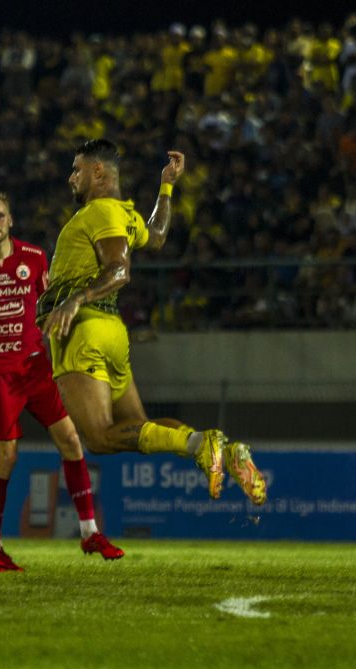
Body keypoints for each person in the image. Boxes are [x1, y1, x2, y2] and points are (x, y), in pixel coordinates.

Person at [37, 139, 266, 505]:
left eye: (77, 169)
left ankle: (202, 444)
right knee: (143, 429)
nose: (70, 178)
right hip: (111, 330)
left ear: (98, 172)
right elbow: (157, 236)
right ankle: (223, 450)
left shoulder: (99, 213)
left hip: (83, 330)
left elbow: (119, 270)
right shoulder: (124, 213)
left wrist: (73, 299)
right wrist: (167, 186)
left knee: (98, 438)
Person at [0, 192, 123, 571]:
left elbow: (46, 308)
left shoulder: (33, 258)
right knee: (6, 459)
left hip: (34, 367)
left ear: (10, 220)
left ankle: (89, 532)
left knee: (71, 440)